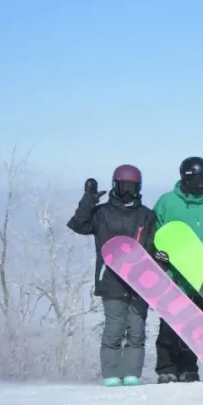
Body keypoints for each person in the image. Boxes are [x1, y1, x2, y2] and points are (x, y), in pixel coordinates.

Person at [67, 165, 157, 387]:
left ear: (139, 188)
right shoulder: (102, 213)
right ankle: (111, 375)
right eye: (123, 186)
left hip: (139, 281)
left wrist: (160, 260)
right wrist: (89, 200)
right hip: (111, 279)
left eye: (132, 187)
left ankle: (132, 374)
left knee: (137, 328)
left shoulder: (146, 215)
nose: (127, 191)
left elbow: (154, 245)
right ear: (115, 186)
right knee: (115, 326)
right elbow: (79, 225)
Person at [152, 156, 203, 383]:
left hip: (200, 275)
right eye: (195, 178)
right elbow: (153, 230)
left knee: (195, 326)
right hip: (172, 276)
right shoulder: (167, 202)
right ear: (185, 178)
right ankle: (166, 368)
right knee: (169, 327)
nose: (200, 183)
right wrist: (155, 253)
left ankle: (189, 368)